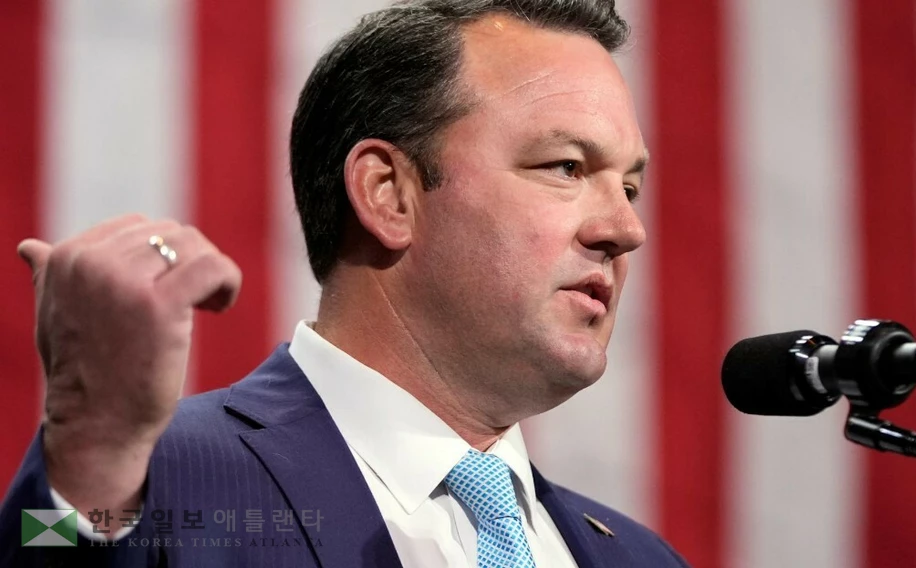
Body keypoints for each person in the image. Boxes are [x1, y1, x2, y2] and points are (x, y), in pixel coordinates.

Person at [0, 0, 691, 566]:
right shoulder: (155, 479)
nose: (626, 229)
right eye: (567, 167)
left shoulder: (641, 558)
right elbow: (40, 544)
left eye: (629, 188)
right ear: (389, 194)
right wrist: (91, 456)